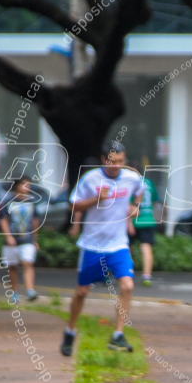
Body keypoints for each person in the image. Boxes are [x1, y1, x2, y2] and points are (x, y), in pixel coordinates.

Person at [64, 140, 143, 356]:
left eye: (120, 161)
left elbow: (140, 191)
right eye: (112, 161)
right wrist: (95, 199)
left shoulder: (131, 177)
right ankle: (70, 330)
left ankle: (117, 334)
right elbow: (73, 205)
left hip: (118, 244)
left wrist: (135, 207)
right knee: (82, 292)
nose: (116, 165)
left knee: (127, 286)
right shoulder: (90, 179)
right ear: (103, 160)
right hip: (92, 244)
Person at [0, 176, 40, 302]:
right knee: (12, 267)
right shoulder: (8, 201)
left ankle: (30, 290)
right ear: (17, 186)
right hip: (12, 240)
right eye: (24, 184)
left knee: (28, 262)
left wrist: (35, 240)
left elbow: (35, 222)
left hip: (27, 239)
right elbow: (3, 220)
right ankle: (14, 292)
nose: (27, 187)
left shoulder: (32, 202)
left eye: (28, 185)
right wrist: (8, 236)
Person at [128, 160, 159, 286]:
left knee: (128, 248)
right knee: (146, 247)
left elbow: (128, 205)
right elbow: (155, 202)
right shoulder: (149, 183)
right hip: (148, 220)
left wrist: (129, 222)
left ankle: (128, 273)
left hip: (133, 220)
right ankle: (147, 276)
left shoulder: (130, 184)